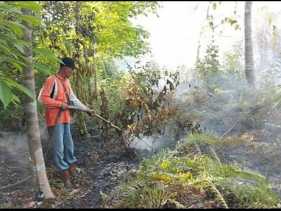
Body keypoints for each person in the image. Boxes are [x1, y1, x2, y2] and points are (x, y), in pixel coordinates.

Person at [38, 57, 91, 188]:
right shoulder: (51, 80)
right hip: (55, 121)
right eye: (71, 69)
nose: (72, 72)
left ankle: (74, 175)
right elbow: (42, 99)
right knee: (59, 150)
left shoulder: (66, 82)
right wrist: (59, 104)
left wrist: (86, 109)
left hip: (66, 119)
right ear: (65, 68)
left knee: (69, 147)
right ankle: (66, 179)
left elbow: (72, 99)